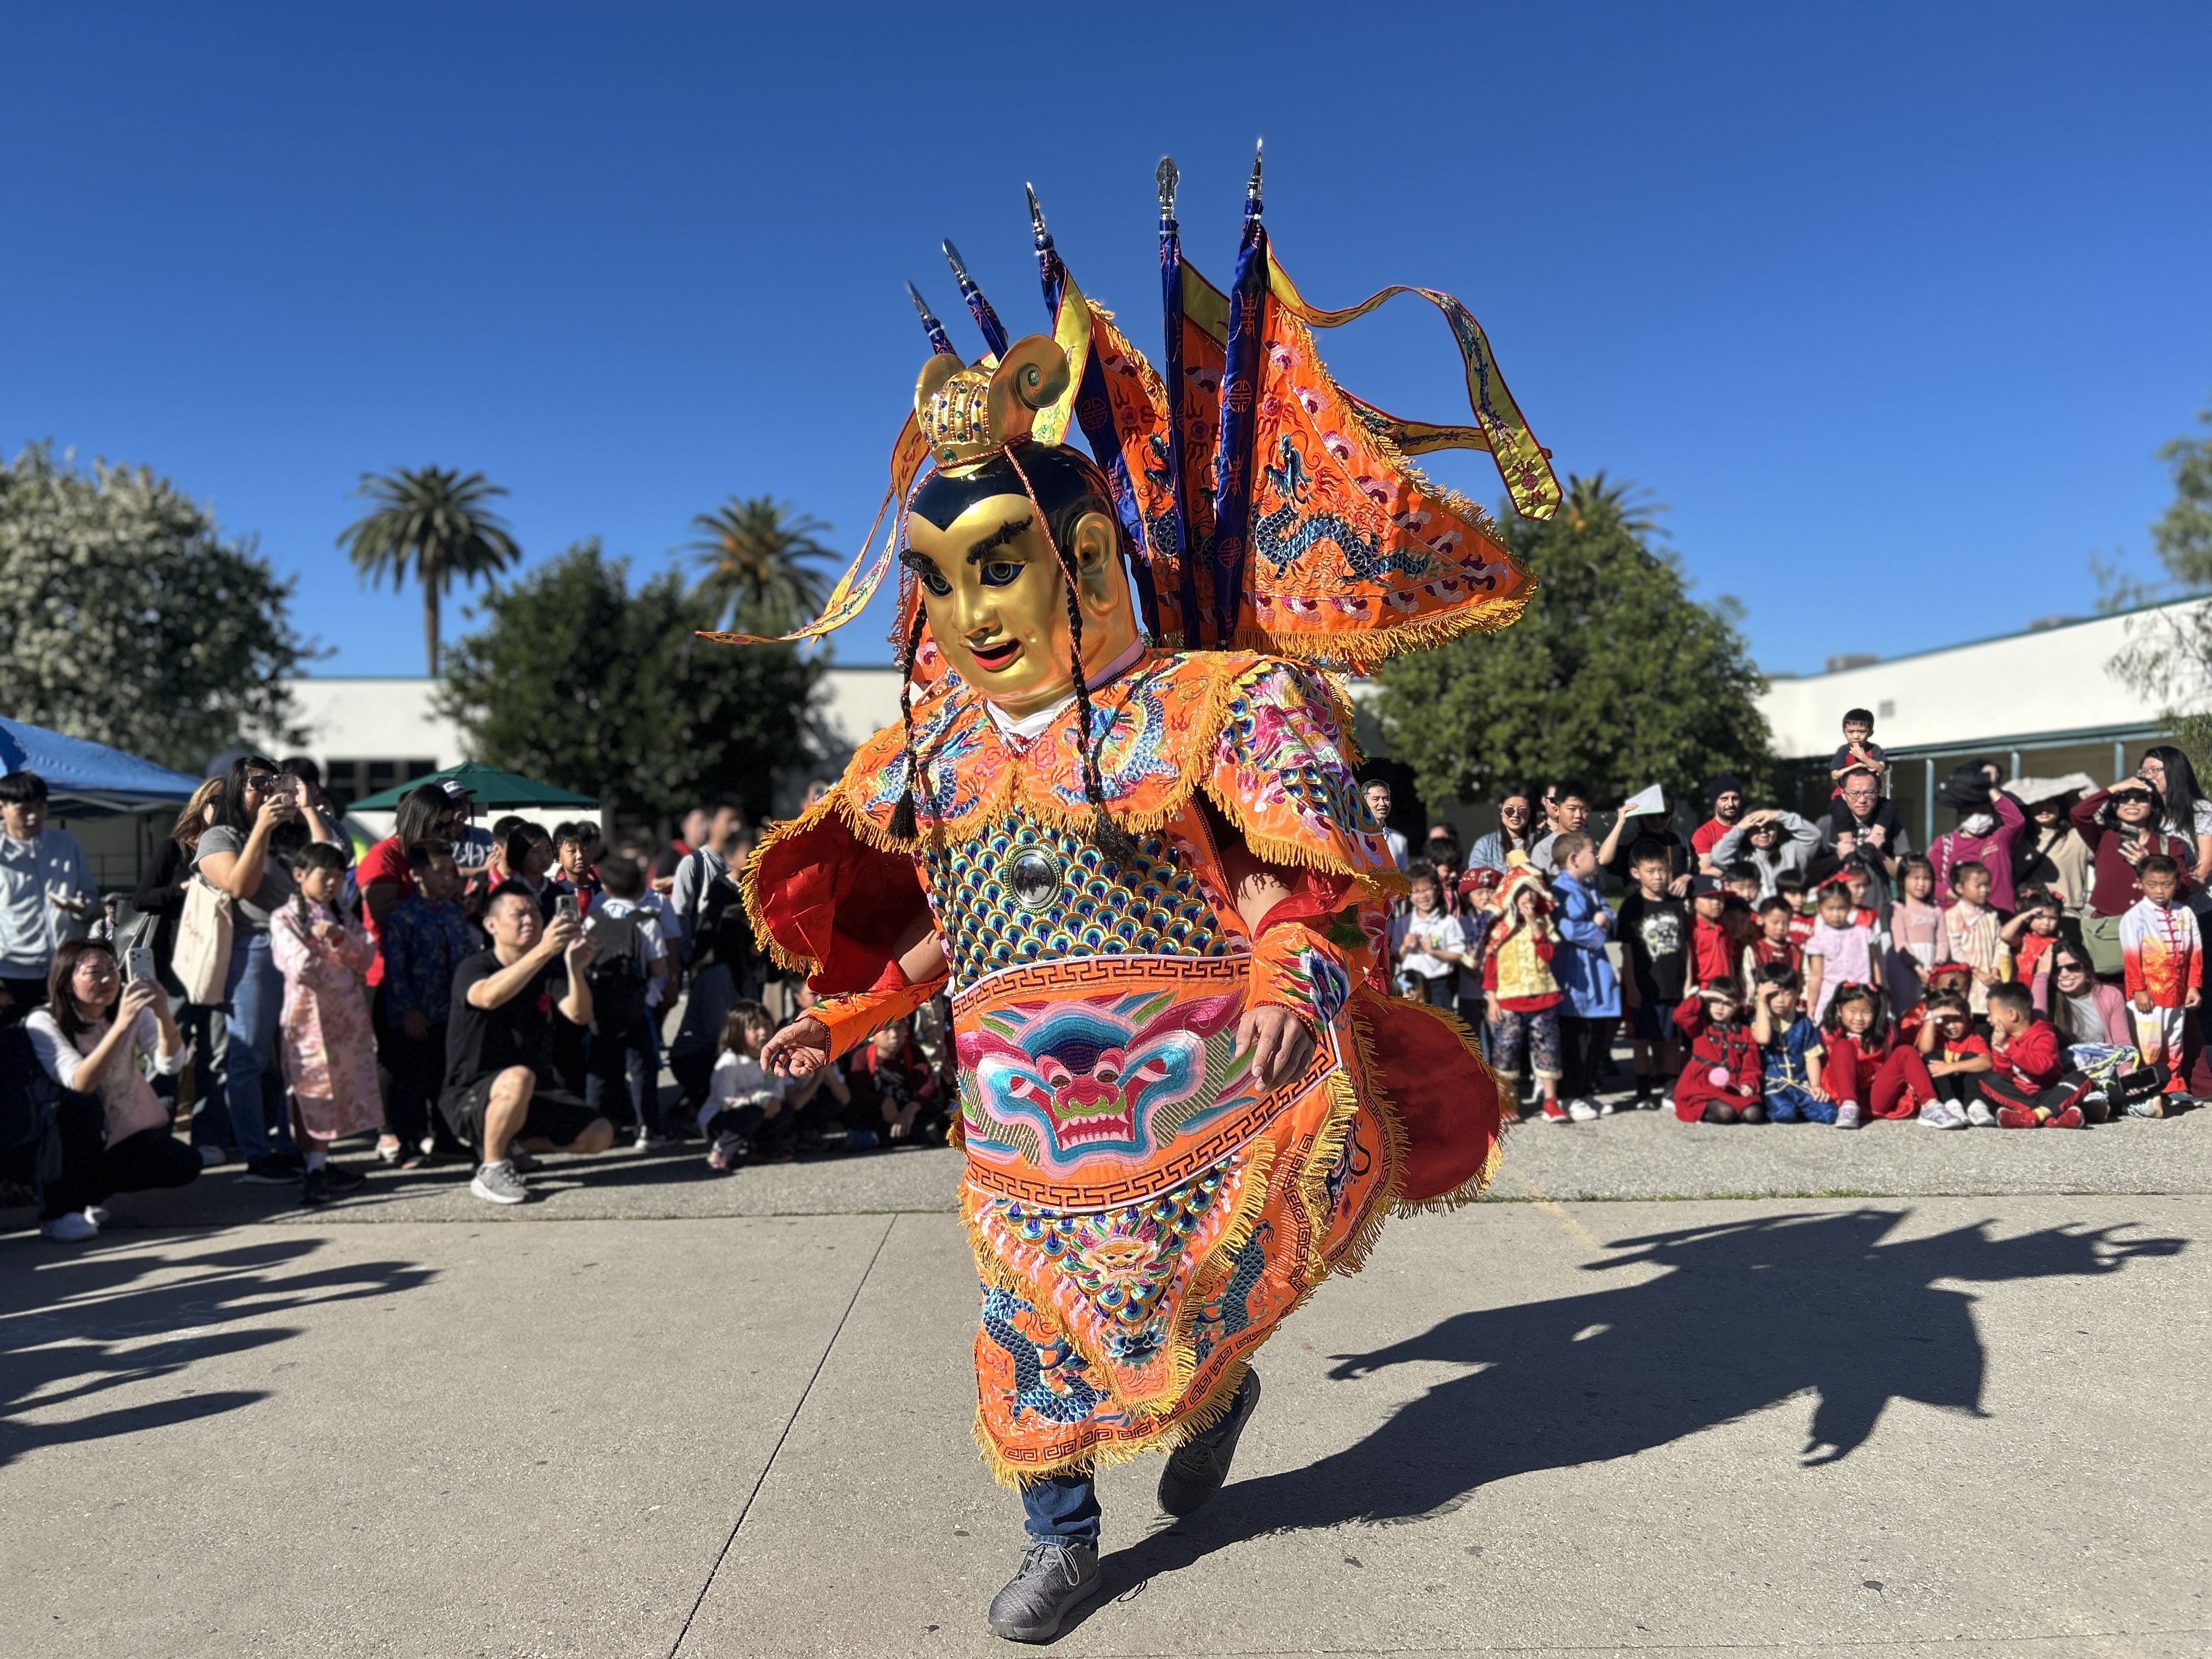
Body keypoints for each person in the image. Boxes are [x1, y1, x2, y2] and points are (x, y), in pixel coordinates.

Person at [744, 283, 1519, 1644]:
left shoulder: (1211, 706)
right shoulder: (936, 750)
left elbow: (1305, 888)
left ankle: (1216, 1397)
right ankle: (1063, 1538)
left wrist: (1292, 982)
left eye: (1000, 561)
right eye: (938, 574)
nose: (969, 610)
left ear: (1090, 559)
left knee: (1177, 1300)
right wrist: (860, 1013)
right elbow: (961, 918)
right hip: (1019, 1126)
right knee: (1025, 1315)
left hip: (1195, 1096)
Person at [195, 754, 337, 1183]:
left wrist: (308, 807)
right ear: (237, 789)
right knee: (250, 1057)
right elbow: (241, 886)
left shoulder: (290, 833)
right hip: (254, 947)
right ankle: (257, 1155)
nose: (266, 789)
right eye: (256, 782)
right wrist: (260, 829)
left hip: (302, 948)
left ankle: (291, 1147)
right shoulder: (219, 836)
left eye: (273, 781)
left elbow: (330, 863)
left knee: (300, 1056)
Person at [439, 883, 616, 1205]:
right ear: (490, 924)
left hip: (529, 1093)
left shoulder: (548, 968)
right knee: (519, 1077)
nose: (530, 921)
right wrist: (545, 950)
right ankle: (491, 1168)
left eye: (535, 913)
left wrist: (575, 969)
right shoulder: (475, 966)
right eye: (519, 914)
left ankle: (510, 1143)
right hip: (471, 1094)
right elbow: (488, 996)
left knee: (600, 1133)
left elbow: (579, 1014)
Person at [24, 938, 200, 1240]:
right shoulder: (44, 1020)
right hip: (58, 1136)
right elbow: (80, 1081)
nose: (108, 979)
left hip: (120, 1126)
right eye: (94, 972)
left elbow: (171, 1064)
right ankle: (59, 1211)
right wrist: (121, 1025)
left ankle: (87, 1194)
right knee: (83, 1105)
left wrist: (162, 1013)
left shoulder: (127, 1008)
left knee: (184, 1164)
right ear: (67, 983)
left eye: (111, 969)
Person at [268, 842, 378, 1203]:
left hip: (345, 1018)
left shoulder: (341, 917)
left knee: (340, 1090)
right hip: (308, 1020)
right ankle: (312, 1167)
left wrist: (337, 939)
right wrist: (341, 962)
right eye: (325, 875)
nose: (333, 883)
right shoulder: (284, 917)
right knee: (310, 1091)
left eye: (337, 876)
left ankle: (320, 1162)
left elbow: (365, 957)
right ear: (300, 876)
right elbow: (298, 966)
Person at [377, 839, 479, 1167]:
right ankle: (406, 1143)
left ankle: (447, 1139)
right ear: (418, 874)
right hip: (416, 1014)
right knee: (410, 1080)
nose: (447, 878)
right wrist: (409, 1010)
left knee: (445, 1077)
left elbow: (466, 958)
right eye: (440, 872)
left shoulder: (452, 912)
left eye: (450, 872)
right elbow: (396, 970)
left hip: (451, 1012)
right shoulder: (403, 917)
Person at [581, 853, 671, 1148]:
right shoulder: (646, 922)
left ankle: (596, 1128)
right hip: (637, 1006)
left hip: (599, 1006)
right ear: (640, 888)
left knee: (601, 1070)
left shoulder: (592, 920)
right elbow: (658, 967)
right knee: (642, 1069)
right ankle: (647, 1130)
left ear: (605, 887)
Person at [2070, 778, 2193, 980]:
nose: (2132, 803)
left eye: (2141, 798)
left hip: (2155, 938)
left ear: (2153, 805)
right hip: (2109, 938)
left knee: (2160, 1001)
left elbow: (2184, 890)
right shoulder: (2103, 837)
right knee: (2114, 1003)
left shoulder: (2170, 844)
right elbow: (2078, 813)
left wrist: (2149, 863)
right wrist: (2113, 788)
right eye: (2124, 798)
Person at [0, 771, 96, 1023]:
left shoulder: (66, 843)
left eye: (40, 807)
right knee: (15, 1049)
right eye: (24, 809)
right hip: (11, 970)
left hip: (63, 965)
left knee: (66, 1041)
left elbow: (89, 897)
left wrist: (79, 906)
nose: (34, 816)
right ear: (2, 809)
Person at [1484, 862, 1568, 1122]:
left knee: (1548, 1049)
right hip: (1509, 1000)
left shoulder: (1543, 923)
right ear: (1511, 894)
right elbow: (1491, 966)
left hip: (1544, 998)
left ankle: (1552, 1103)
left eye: (1532, 892)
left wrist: (1535, 925)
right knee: (1505, 1053)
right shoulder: (1499, 928)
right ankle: (1507, 1104)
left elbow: (1548, 954)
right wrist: (1491, 1000)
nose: (1528, 898)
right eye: (1522, 892)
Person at [2120, 853, 2201, 1110]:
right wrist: (2138, 990)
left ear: (2177, 884)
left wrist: (2193, 985)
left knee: (2175, 1041)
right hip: (2148, 996)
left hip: (2177, 993)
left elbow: (2195, 952)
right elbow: (2131, 957)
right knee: (2149, 1044)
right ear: (2140, 883)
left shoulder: (2186, 913)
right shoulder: (2135, 916)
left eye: (2166, 884)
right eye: (2152, 884)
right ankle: (2147, 1090)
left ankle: (2174, 1086)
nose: (2159, 890)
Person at [1548, 833, 1618, 1118]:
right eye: (1593, 852)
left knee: (1596, 1036)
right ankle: (1570, 1095)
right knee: (1575, 1038)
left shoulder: (1589, 887)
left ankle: (1587, 1091)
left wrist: (1601, 921)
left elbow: (1609, 914)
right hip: (1573, 976)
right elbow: (1567, 929)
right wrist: (1598, 928)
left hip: (1595, 973)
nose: (1598, 857)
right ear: (1574, 859)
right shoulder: (1559, 891)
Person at [1617, 843, 1690, 1110]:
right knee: (1641, 1039)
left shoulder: (1677, 904)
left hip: (1675, 982)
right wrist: (1631, 985)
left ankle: (1670, 1088)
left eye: (1663, 870)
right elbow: (1626, 951)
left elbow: (1687, 945)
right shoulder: (1631, 906)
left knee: (1672, 1038)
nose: (1659, 876)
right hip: (1645, 985)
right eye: (1651, 871)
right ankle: (1643, 1090)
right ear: (1637, 873)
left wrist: (1690, 980)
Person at [1979, 982, 2095, 1128]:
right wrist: (2002, 1053)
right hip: (2021, 1097)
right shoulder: (2003, 1040)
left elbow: (2041, 1068)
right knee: (1989, 1079)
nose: (1988, 1020)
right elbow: (2004, 1077)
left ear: (2012, 1014)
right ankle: (2052, 1116)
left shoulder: (2044, 1035)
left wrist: (2009, 1049)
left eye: (1991, 1013)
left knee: (2080, 1078)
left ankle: (2032, 1117)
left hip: (2049, 1092)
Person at [1819, 983, 1933, 1129]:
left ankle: (1931, 1105)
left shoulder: (1885, 1032)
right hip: (1841, 1094)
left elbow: (1891, 1067)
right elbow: (1817, 1062)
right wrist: (1815, 1085)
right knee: (1843, 1046)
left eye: (1867, 1012)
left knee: (1906, 1051)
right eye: (1852, 1011)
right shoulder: (1830, 1033)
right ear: (1839, 1011)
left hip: (1876, 1096)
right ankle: (1849, 1106)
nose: (1859, 1018)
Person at [841, 1014, 948, 1149]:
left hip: (909, 1112)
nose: (894, 1035)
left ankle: (888, 1138)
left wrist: (912, 1108)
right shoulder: (862, 1057)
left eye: (899, 1028)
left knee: (937, 1099)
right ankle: (912, 1136)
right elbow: (859, 1092)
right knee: (854, 1112)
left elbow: (930, 1084)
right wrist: (882, 1101)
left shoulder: (913, 1052)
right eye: (886, 1030)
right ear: (871, 1036)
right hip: (882, 1115)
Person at [1929, 770, 2027, 911]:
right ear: (1961, 815)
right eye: (1970, 813)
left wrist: (1990, 788)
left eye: (1983, 812)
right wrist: (1953, 894)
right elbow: (1930, 879)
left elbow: (2017, 821)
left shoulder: (1999, 838)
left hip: (2001, 919)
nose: (1977, 817)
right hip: (1959, 921)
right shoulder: (1945, 844)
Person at [1669, 978, 1763, 1124]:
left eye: (1727, 1004)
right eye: (1715, 1001)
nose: (1720, 1007)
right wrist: (1701, 996)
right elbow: (1680, 1016)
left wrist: (1748, 1084)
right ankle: (1702, 1112)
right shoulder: (1700, 1026)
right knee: (1726, 1114)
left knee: (1754, 1115)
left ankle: (1732, 1108)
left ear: (1738, 1005)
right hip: (1703, 1086)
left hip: (1732, 1087)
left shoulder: (1745, 1033)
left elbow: (1751, 1066)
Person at [701, 1001, 783, 1170]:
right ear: (738, 1033)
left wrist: (771, 1099)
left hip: (759, 1108)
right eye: (755, 1028)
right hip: (719, 1118)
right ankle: (721, 1153)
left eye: (767, 1025)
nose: (763, 1032)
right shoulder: (729, 1063)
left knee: (784, 1109)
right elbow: (725, 1102)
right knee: (751, 1114)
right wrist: (760, 1099)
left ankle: (761, 1150)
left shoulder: (773, 1057)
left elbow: (777, 1089)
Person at [1816, 769, 1911, 911]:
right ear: (1843, 793)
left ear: (1878, 792)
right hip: (1837, 914)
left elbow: (1903, 875)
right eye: (1855, 794)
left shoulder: (1892, 825)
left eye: (1869, 793)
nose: (1862, 800)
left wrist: (1879, 854)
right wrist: (1838, 857)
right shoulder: (1826, 824)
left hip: (1878, 912)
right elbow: (1810, 871)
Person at [1749, 964, 1831, 1123]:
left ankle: (1800, 1107)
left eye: (1787, 994)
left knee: (1829, 1114)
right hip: (1774, 1086)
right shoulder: (1758, 1020)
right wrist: (1761, 1002)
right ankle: (1782, 1108)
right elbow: (1764, 1038)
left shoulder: (1804, 1023)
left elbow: (1811, 1057)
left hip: (1800, 1084)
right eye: (1774, 995)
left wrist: (1815, 1085)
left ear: (1796, 994)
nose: (1780, 1000)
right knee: (1785, 1114)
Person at [2137, 745, 2212, 909]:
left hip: (2199, 910)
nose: (2148, 777)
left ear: (2175, 772)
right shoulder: (2145, 815)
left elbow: (2206, 866)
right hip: (2157, 911)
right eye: (2144, 772)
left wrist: (2173, 893)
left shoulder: (2201, 810)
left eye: (2155, 770)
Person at [1390, 860, 1471, 1007]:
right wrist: (1405, 947)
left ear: (1438, 890)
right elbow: (1398, 957)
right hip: (1411, 986)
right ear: (1410, 895)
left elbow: (1458, 955)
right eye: (1416, 891)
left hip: (1438, 985)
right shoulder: (1404, 923)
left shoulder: (1447, 923)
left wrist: (1434, 951)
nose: (1423, 896)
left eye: (1427, 889)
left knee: (1440, 1025)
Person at [1802, 878, 1878, 1025]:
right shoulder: (1818, 942)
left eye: (1841, 908)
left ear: (1849, 907)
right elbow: (1816, 976)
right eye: (1830, 909)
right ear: (1819, 909)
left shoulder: (1864, 934)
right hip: (1832, 998)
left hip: (1863, 995)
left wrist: (1881, 989)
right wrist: (1812, 1004)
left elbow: (1875, 965)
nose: (1836, 914)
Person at [2013, 783, 2095, 918]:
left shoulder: (2078, 836)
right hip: (2028, 914)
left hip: (2067, 913)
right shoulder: (2018, 841)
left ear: (2060, 808)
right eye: (2038, 802)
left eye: (2051, 802)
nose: (2044, 808)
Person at [1942, 861, 2010, 1017]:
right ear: (1960, 888)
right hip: (1968, 982)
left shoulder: (1991, 915)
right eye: (1978, 886)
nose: (1985, 890)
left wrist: (1994, 971)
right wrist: (1978, 972)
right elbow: (1955, 951)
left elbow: (2000, 945)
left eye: (1987, 885)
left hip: (1992, 981)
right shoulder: (1954, 915)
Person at [1709, 806, 1822, 899]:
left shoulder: (1792, 850)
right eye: (1756, 829)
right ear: (1747, 832)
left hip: (1786, 918)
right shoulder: (1740, 857)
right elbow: (1717, 857)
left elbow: (1814, 836)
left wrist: (1780, 816)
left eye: (1769, 827)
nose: (1764, 833)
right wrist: (1739, 828)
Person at [1914, 991, 1989, 1128]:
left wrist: (1952, 1067)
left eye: (1957, 1020)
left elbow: (1987, 1062)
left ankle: (1975, 1105)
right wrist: (1932, 1019)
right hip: (1943, 1092)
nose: (1951, 1027)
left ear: (1968, 1018)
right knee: (1930, 1056)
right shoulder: (1935, 1034)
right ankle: (1951, 1105)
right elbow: (1924, 1049)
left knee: (1971, 1058)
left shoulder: (1972, 1037)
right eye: (1945, 1021)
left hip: (1965, 1089)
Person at [2000, 888, 2064, 996]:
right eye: (2040, 917)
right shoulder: (2023, 939)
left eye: (2053, 918)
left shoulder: (2058, 943)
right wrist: (2023, 916)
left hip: (2046, 991)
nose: (2046, 923)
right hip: (2020, 993)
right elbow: (2005, 935)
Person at [1687, 873, 1741, 992]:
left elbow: (1729, 959)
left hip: (1726, 988)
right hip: (1703, 989)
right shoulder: (1692, 929)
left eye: (1720, 898)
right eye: (1709, 898)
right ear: (1693, 903)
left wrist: (1732, 984)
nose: (1716, 903)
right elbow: (1688, 964)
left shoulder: (1723, 928)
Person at [1468, 785, 1539, 873]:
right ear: (1501, 810)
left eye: (1523, 811)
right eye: (1509, 810)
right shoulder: (1485, 845)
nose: (1515, 815)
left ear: (1530, 813)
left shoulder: (1540, 843)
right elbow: (1475, 879)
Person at [1529, 777, 1592, 876]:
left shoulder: (1588, 844)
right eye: (1572, 809)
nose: (1579, 815)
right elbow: (1538, 887)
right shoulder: (1544, 848)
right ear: (1557, 810)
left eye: (1584, 810)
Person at [1691, 773, 1747, 872]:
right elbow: (1705, 870)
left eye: (1735, 798)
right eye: (1724, 799)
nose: (1730, 804)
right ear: (1715, 801)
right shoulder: (1704, 834)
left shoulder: (1749, 828)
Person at [1743, 897, 1801, 984]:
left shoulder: (1796, 951)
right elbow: (1748, 982)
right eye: (1775, 922)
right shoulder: (1754, 950)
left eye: (1786, 923)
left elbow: (1805, 982)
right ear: (1760, 920)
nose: (1780, 928)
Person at [550, 821, 604, 913]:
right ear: (558, 857)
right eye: (572, 851)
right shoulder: (555, 893)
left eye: (584, 849)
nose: (580, 856)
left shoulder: (602, 889)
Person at [1830, 708, 1889, 791]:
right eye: (1851, 732)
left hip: (1870, 794)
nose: (1856, 737)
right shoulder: (1843, 751)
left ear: (1870, 733)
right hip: (1846, 795)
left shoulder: (1874, 749)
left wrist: (1863, 757)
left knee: (1888, 805)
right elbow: (1835, 775)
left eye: (1862, 732)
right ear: (1844, 733)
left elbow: (1881, 769)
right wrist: (1857, 766)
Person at [1362, 778, 1410, 871]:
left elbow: (1404, 877)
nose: (1382, 803)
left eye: (1386, 799)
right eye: (1376, 799)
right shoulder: (1355, 839)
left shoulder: (1398, 840)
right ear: (1364, 803)